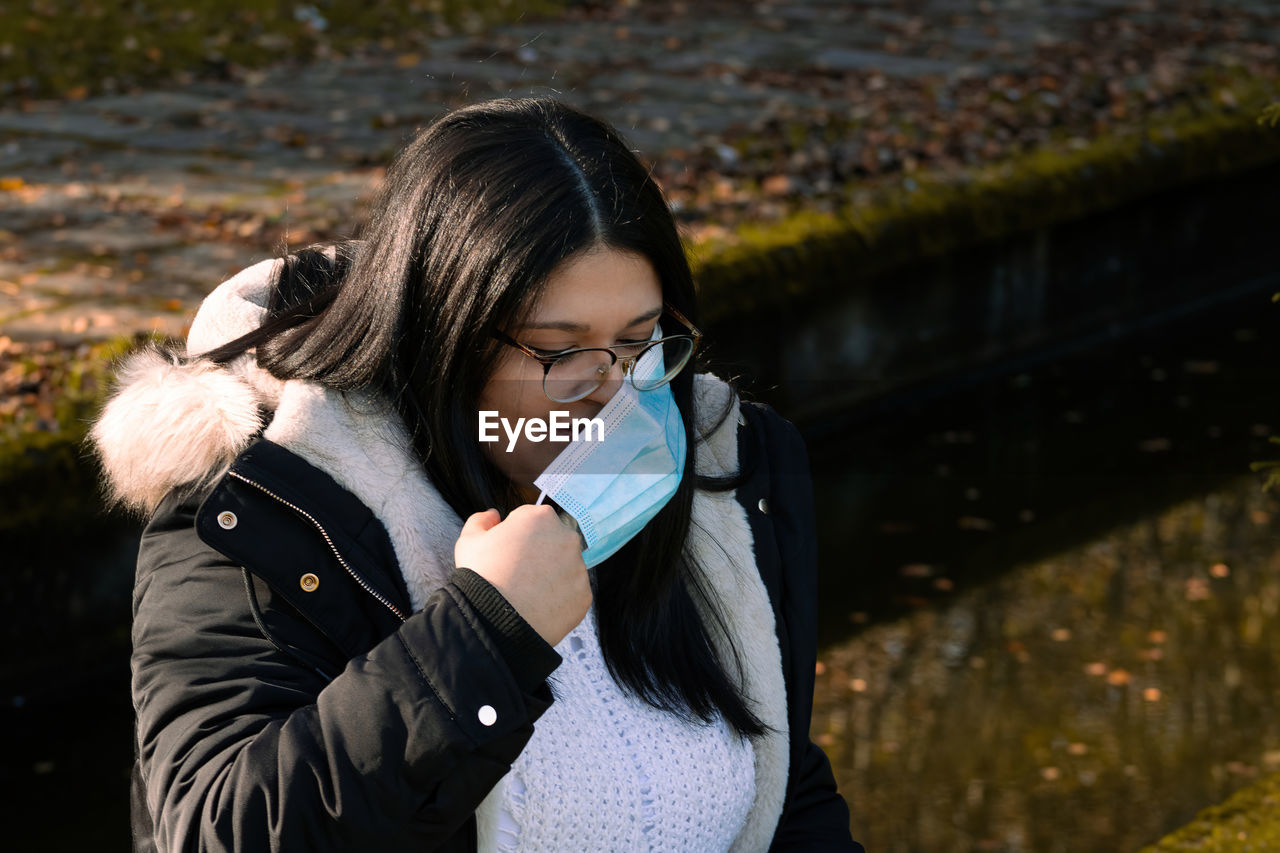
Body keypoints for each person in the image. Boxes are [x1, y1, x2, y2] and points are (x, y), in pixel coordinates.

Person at [91, 96, 863, 852]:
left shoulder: (723, 472)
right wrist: (484, 636)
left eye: (638, 339)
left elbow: (786, 789)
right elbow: (218, 827)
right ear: (442, 334)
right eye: (559, 352)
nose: (615, 391)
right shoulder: (267, 503)